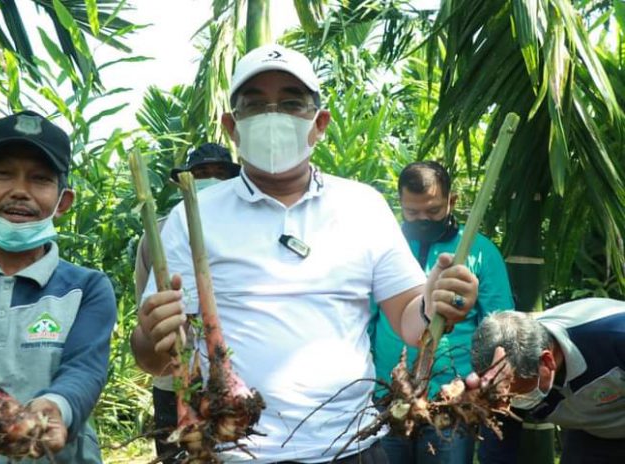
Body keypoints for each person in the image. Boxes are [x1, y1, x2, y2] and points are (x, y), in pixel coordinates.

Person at [131, 44, 479, 463]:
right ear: (231, 126)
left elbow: (409, 316)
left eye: (292, 104)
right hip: (233, 450)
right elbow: (157, 358)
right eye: (255, 106)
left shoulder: (361, 205)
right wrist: (152, 336)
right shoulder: (194, 216)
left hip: (352, 448)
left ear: (319, 124)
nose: (273, 116)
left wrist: (434, 302)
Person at [0, 110, 117, 463]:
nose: (20, 191)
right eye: (4, 175)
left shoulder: (87, 288)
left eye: (40, 179)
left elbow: (84, 369)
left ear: (63, 203)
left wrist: (54, 408)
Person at [369, 161, 515, 463]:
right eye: (412, 213)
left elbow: (500, 324)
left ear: (452, 201)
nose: (422, 219)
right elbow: (367, 318)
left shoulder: (480, 251)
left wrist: (486, 383)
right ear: (401, 204)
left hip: (451, 399)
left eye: (433, 211)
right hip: (387, 395)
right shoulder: (386, 247)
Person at [131, 142, 240, 457]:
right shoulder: (159, 231)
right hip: (173, 379)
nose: (209, 180)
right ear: (184, 181)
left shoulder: (244, 229)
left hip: (228, 377)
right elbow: (147, 306)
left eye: (219, 174)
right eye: (201, 173)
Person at [470, 298, 625, 464]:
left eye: (518, 394)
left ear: (547, 361)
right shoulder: (502, 381)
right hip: (591, 432)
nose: (511, 402)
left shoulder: (615, 337)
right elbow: (497, 452)